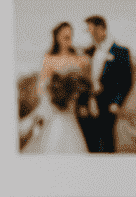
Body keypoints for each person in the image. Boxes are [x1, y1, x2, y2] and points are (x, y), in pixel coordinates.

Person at [20, 23, 90, 155]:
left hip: (71, 110)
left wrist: (74, 97)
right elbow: (42, 86)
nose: (68, 37)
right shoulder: (49, 58)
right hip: (55, 111)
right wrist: (52, 101)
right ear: (57, 37)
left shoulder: (78, 58)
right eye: (64, 34)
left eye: (70, 34)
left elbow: (84, 83)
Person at [81, 13, 133, 153]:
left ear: (101, 29)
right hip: (87, 106)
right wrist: (82, 103)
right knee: (89, 145)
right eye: (88, 29)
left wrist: (117, 102)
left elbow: (126, 81)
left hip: (108, 106)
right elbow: (82, 80)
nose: (89, 33)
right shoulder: (87, 52)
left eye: (90, 29)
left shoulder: (121, 52)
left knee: (106, 144)